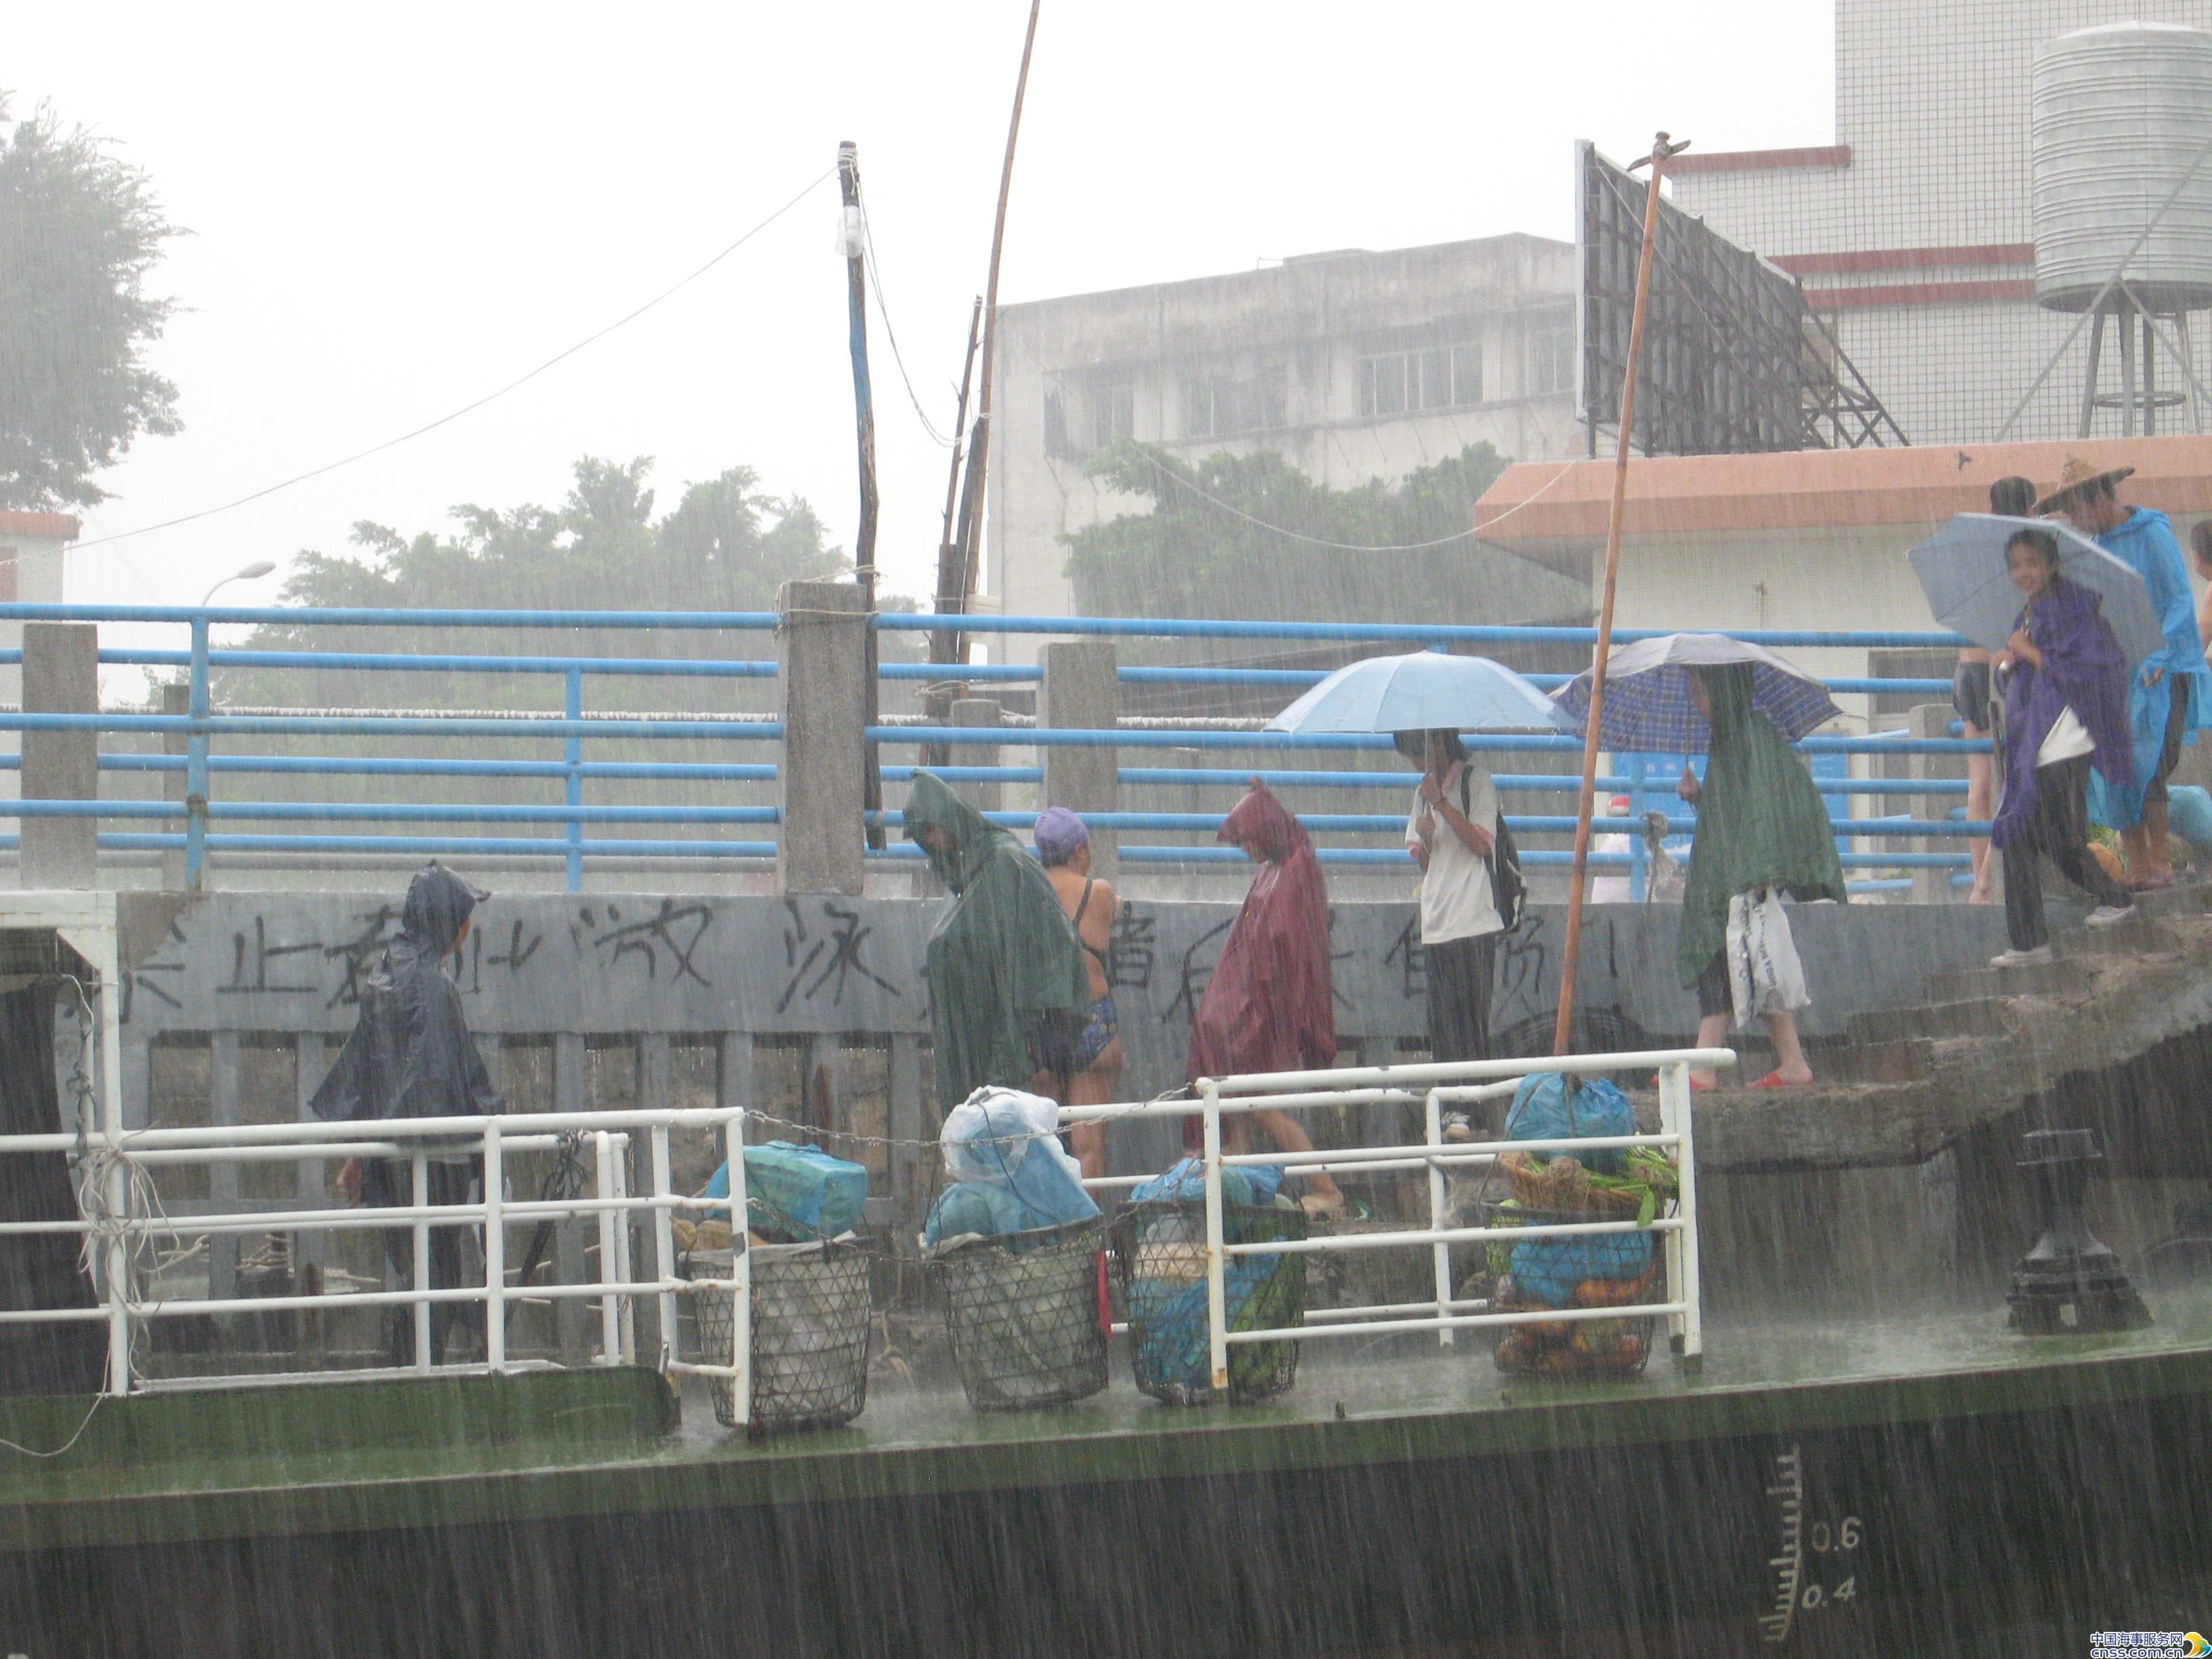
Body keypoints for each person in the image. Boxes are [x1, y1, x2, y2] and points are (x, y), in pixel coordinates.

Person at [314, 863, 501, 1368]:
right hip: (431, 1159)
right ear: (450, 922)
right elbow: (448, 1074)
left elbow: (368, 1071)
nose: (469, 927)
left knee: (415, 1272)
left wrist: (362, 1154)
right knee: (438, 1274)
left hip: (392, 1160)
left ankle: (409, 1363)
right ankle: (424, 1371)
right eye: (464, 917)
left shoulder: (384, 975)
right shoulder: (434, 988)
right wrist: (487, 1127)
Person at [2040, 456, 2211, 889]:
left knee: (2149, 763)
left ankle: (2160, 864)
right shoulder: (2093, 550)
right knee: (2119, 768)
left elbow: (2176, 601)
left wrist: (2158, 654)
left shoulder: (2152, 533)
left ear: (2099, 498)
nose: (2077, 520)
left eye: (2078, 509)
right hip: (2118, 674)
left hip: (2164, 670)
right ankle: (2136, 866)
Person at [1675, 664, 1849, 1088]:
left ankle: (1703, 1066)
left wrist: (1760, 867)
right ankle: (1791, 1064)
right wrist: (1701, 796)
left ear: (1724, 690)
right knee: (1757, 960)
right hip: (1735, 871)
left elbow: (1770, 803)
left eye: (1702, 691)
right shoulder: (1731, 739)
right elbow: (1737, 809)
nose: (1697, 704)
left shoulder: (1750, 736)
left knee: (1725, 955)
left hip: (1742, 874)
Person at [1187, 782, 1344, 1214]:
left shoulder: (1293, 869)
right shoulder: (1279, 866)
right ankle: (1237, 1185)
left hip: (1267, 1014)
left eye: (1247, 842)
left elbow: (1285, 950)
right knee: (1231, 1103)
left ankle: (1326, 1189)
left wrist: (1252, 1007)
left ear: (1265, 832)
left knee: (1259, 1106)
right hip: (1256, 1011)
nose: (1245, 851)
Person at [1987, 526, 2139, 965]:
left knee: (2059, 838)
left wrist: (2029, 652)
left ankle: (2115, 898)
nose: (2024, 573)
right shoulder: (2029, 614)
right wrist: (2008, 662)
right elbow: (2020, 675)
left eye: (2032, 563)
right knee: (2024, 837)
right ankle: (2029, 943)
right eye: (2016, 565)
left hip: (2064, 737)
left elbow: (2092, 671)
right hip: (2036, 738)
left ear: (2052, 564)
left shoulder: (2073, 608)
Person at [903, 771, 1092, 1113]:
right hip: (1012, 1036)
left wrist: (1031, 1037)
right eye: (922, 834)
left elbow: (1040, 947)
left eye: (932, 828)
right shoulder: (976, 869)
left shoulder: (1002, 862)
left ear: (951, 818)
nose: (930, 840)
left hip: (1031, 1035)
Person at [1402, 729, 1508, 1139]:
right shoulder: (1421, 792)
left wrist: (1443, 804)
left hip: (1474, 916)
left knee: (1471, 1017)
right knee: (1444, 1022)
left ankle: (1472, 1109)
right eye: (1412, 755)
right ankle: (1450, 1108)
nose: (1418, 762)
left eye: (1422, 751)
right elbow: (1426, 862)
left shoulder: (1475, 781)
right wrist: (1426, 838)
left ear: (1443, 745)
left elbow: (1482, 844)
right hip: (1437, 918)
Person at [1960, 475, 2040, 903]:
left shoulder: (1976, 547)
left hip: (1966, 670)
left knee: (1979, 783)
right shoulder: (2020, 551)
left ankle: (1979, 882)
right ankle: (1989, 880)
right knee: (2008, 780)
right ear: (2028, 507)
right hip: (1997, 669)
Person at [1033, 806, 1123, 1181]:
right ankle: (1087, 1238)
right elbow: (1114, 912)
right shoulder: (1099, 893)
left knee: (1041, 1145)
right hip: (1092, 1022)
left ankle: (1049, 1234)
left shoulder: (1027, 892)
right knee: (1088, 1148)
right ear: (1080, 851)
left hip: (1039, 1025)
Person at [1590, 794, 1635, 904]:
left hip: (1602, 905)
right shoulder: (1626, 840)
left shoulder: (1610, 839)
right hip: (1619, 905)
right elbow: (1646, 872)